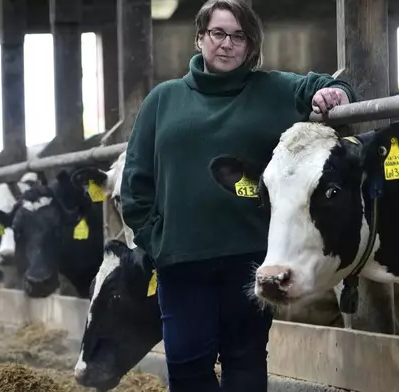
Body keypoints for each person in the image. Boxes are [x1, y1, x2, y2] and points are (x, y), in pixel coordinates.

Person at [120, 0, 356, 391]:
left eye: (238, 36)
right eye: (217, 33)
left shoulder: (271, 90)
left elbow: (323, 86)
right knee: (185, 363)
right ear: (199, 38)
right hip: (181, 262)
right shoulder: (162, 100)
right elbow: (135, 181)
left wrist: (334, 93)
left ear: (250, 45)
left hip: (248, 260)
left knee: (244, 362)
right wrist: (156, 239)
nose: (227, 44)